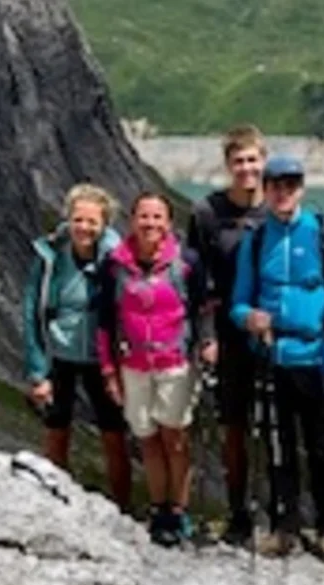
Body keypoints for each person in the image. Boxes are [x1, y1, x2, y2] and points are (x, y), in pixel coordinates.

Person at [229, 155, 324, 562]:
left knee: (322, 449)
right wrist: (249, 318)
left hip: (315, 359)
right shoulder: (255, 241)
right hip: (272, 359)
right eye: (275, 185)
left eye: (290, 185)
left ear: (301, 189)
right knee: (279, 447)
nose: (283, 192)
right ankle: (285, 527)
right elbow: (238, 302)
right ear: (265, 190)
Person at [97, 192, 216, 547]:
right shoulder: (114, 265)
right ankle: (158, 507)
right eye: (144, 216)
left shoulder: (187, 262)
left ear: (168, 223)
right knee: (147, 437)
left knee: (174, 438)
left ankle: (178, 511)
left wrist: (208, 341)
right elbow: (105, 320)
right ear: (132, 220)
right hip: (133, 365)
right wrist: (108, 371)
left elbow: (203, 308)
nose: (150, 223)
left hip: (175, 364)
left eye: (157, 217)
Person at [21, 183, 128, 509]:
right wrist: (38, 373)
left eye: (92, 222)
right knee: (57, 429)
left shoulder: (116, 259)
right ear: (68, 219)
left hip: (102, 356)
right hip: (60, 352)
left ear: (104, 224)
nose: (83, 228)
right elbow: (32, 310)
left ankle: (122, 507)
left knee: (113, 433)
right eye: (78, 220)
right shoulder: (50, 256)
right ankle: (56, 503)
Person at [186, 124, 267, 545]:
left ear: (263, 162)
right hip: (226, 335)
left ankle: (276, 510)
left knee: (274, 427)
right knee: (234, 427)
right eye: (239, 161)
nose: (246, 168)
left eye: (253, 160)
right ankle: (238, 512)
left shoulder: (276, 209)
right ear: (228, 165)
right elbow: (197, 281)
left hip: (270, 332)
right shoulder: (206, 214)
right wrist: (206, 336)